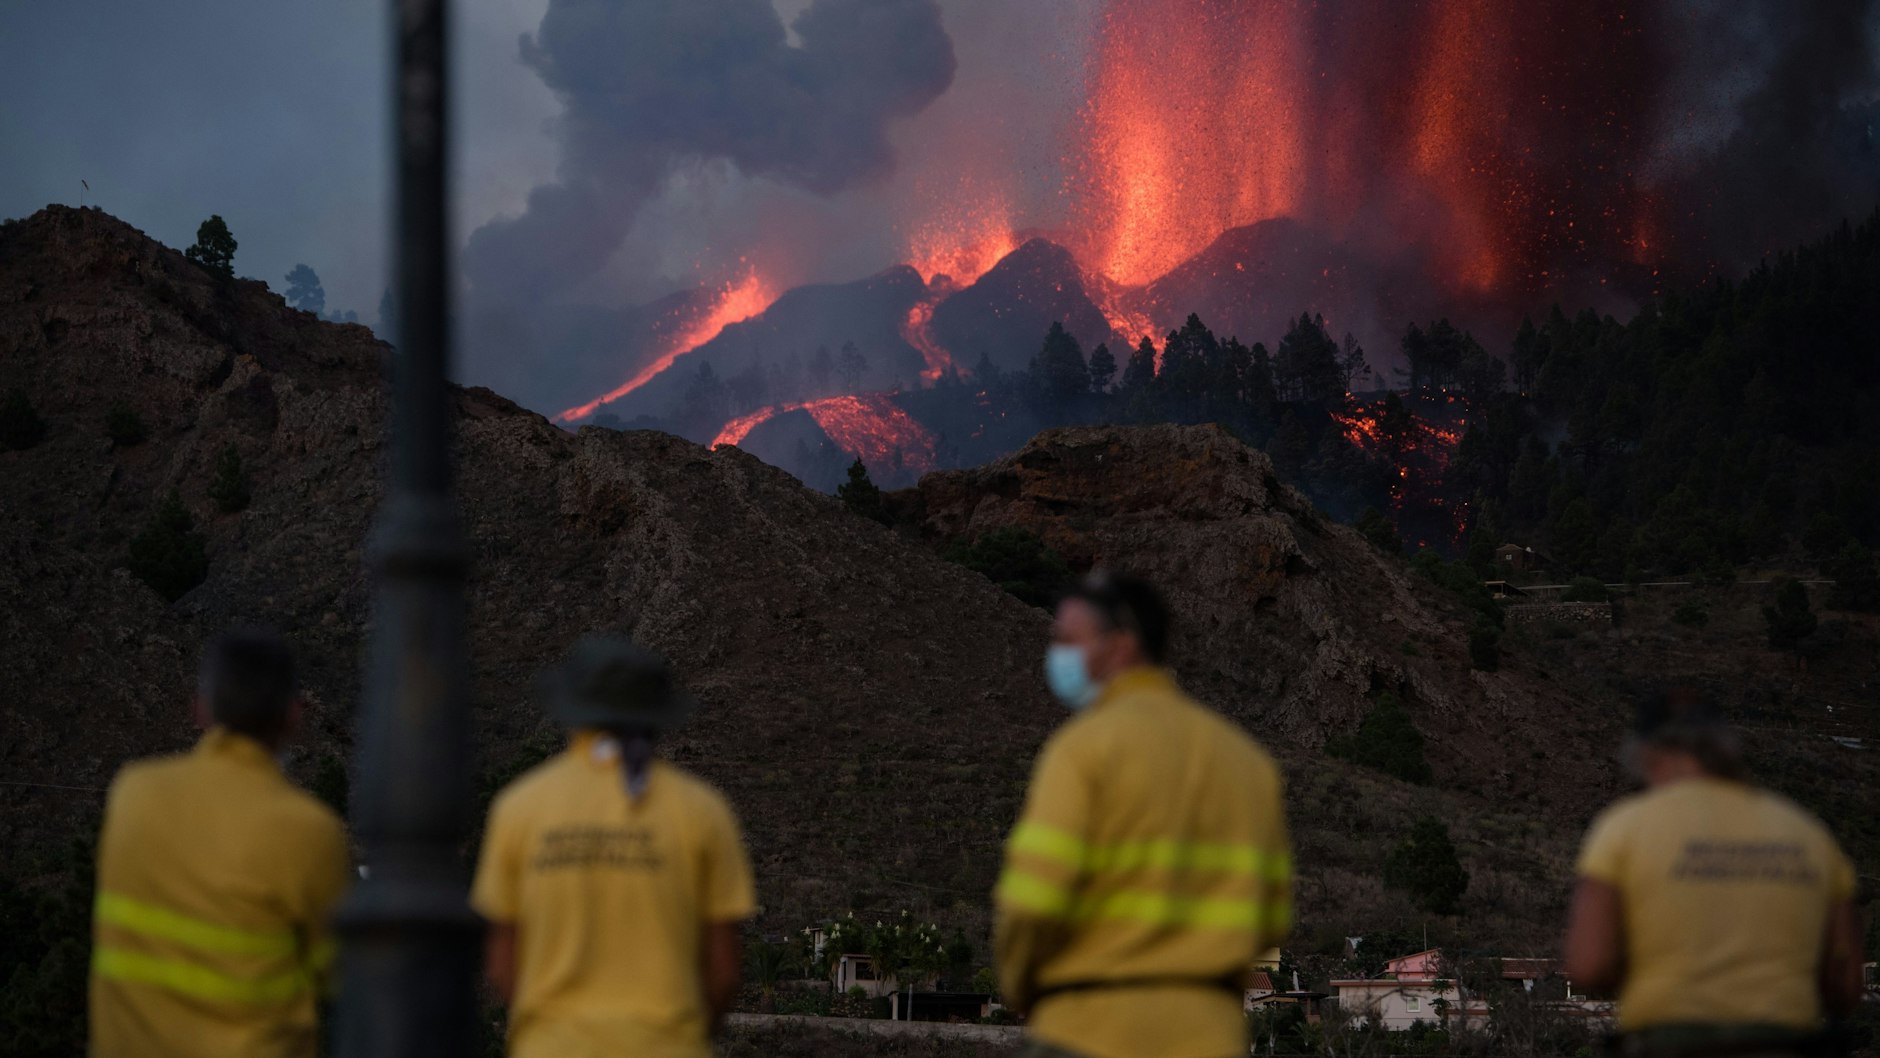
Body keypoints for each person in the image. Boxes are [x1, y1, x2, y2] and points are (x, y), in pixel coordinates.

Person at [995, 571, 1293, 1058]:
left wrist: (1021, 987)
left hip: (1090, 1030)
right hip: (1209, 1038)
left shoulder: (1083, 750)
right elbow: (1272, 916)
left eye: (1069, 639)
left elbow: (1031, 903)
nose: (1057, 654)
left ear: (1121, 644)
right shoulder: (1249, 764)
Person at [472, 634, 755, 1058]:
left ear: (572, 711)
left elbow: (502, 963)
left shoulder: (519, 808)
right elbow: (724, 972)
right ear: (655, 715)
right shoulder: (703, 812)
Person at [90, 630, 351, 1058]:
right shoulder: (310, 831)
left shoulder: (131, 793)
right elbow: (340, 972)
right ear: (293, 716)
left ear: (201, 709)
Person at [1564, 689, 1864, 1056]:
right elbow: (1846, 987)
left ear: (1646, 755)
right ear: (1728, 750)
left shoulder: (1623, 828)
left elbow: (1588, 966)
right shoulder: (1810, 835)